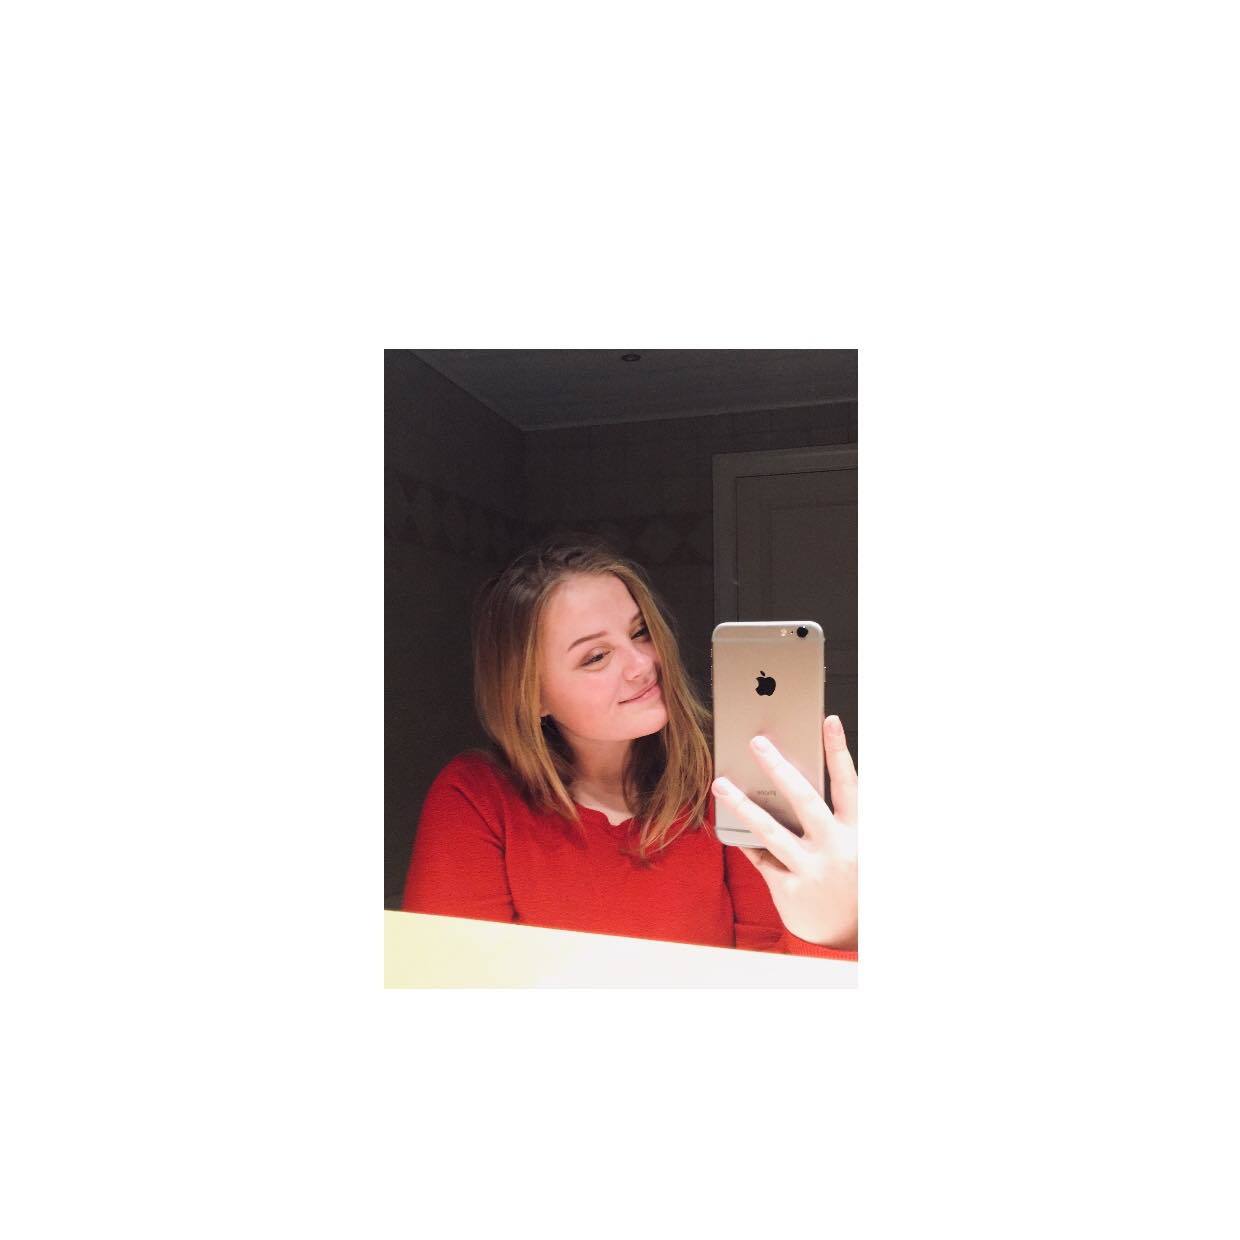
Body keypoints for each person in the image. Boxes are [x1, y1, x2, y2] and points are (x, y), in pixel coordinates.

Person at [401, 535, 858, 959]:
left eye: (640, 632)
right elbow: (451, 980)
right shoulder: (475, 799)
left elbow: (773, 974)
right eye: (596, 656)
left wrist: (836, 930)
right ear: (531, 696)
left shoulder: (724, 782)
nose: (643, 663)